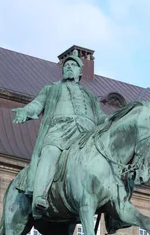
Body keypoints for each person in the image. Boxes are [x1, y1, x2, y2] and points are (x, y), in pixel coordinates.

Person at [13, 50, 107, 214]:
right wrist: (25, 111)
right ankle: (40, 196)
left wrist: (113, 121)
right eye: (67, 65)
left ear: (80, 72)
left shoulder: (90, 96)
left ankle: (112, 213)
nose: (69, 67)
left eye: (73, 65)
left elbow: (100, 117)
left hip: (86, 136)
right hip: (59, 130)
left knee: (107, 163)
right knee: (50, 152)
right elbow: (37, 105)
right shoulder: (52, 89)